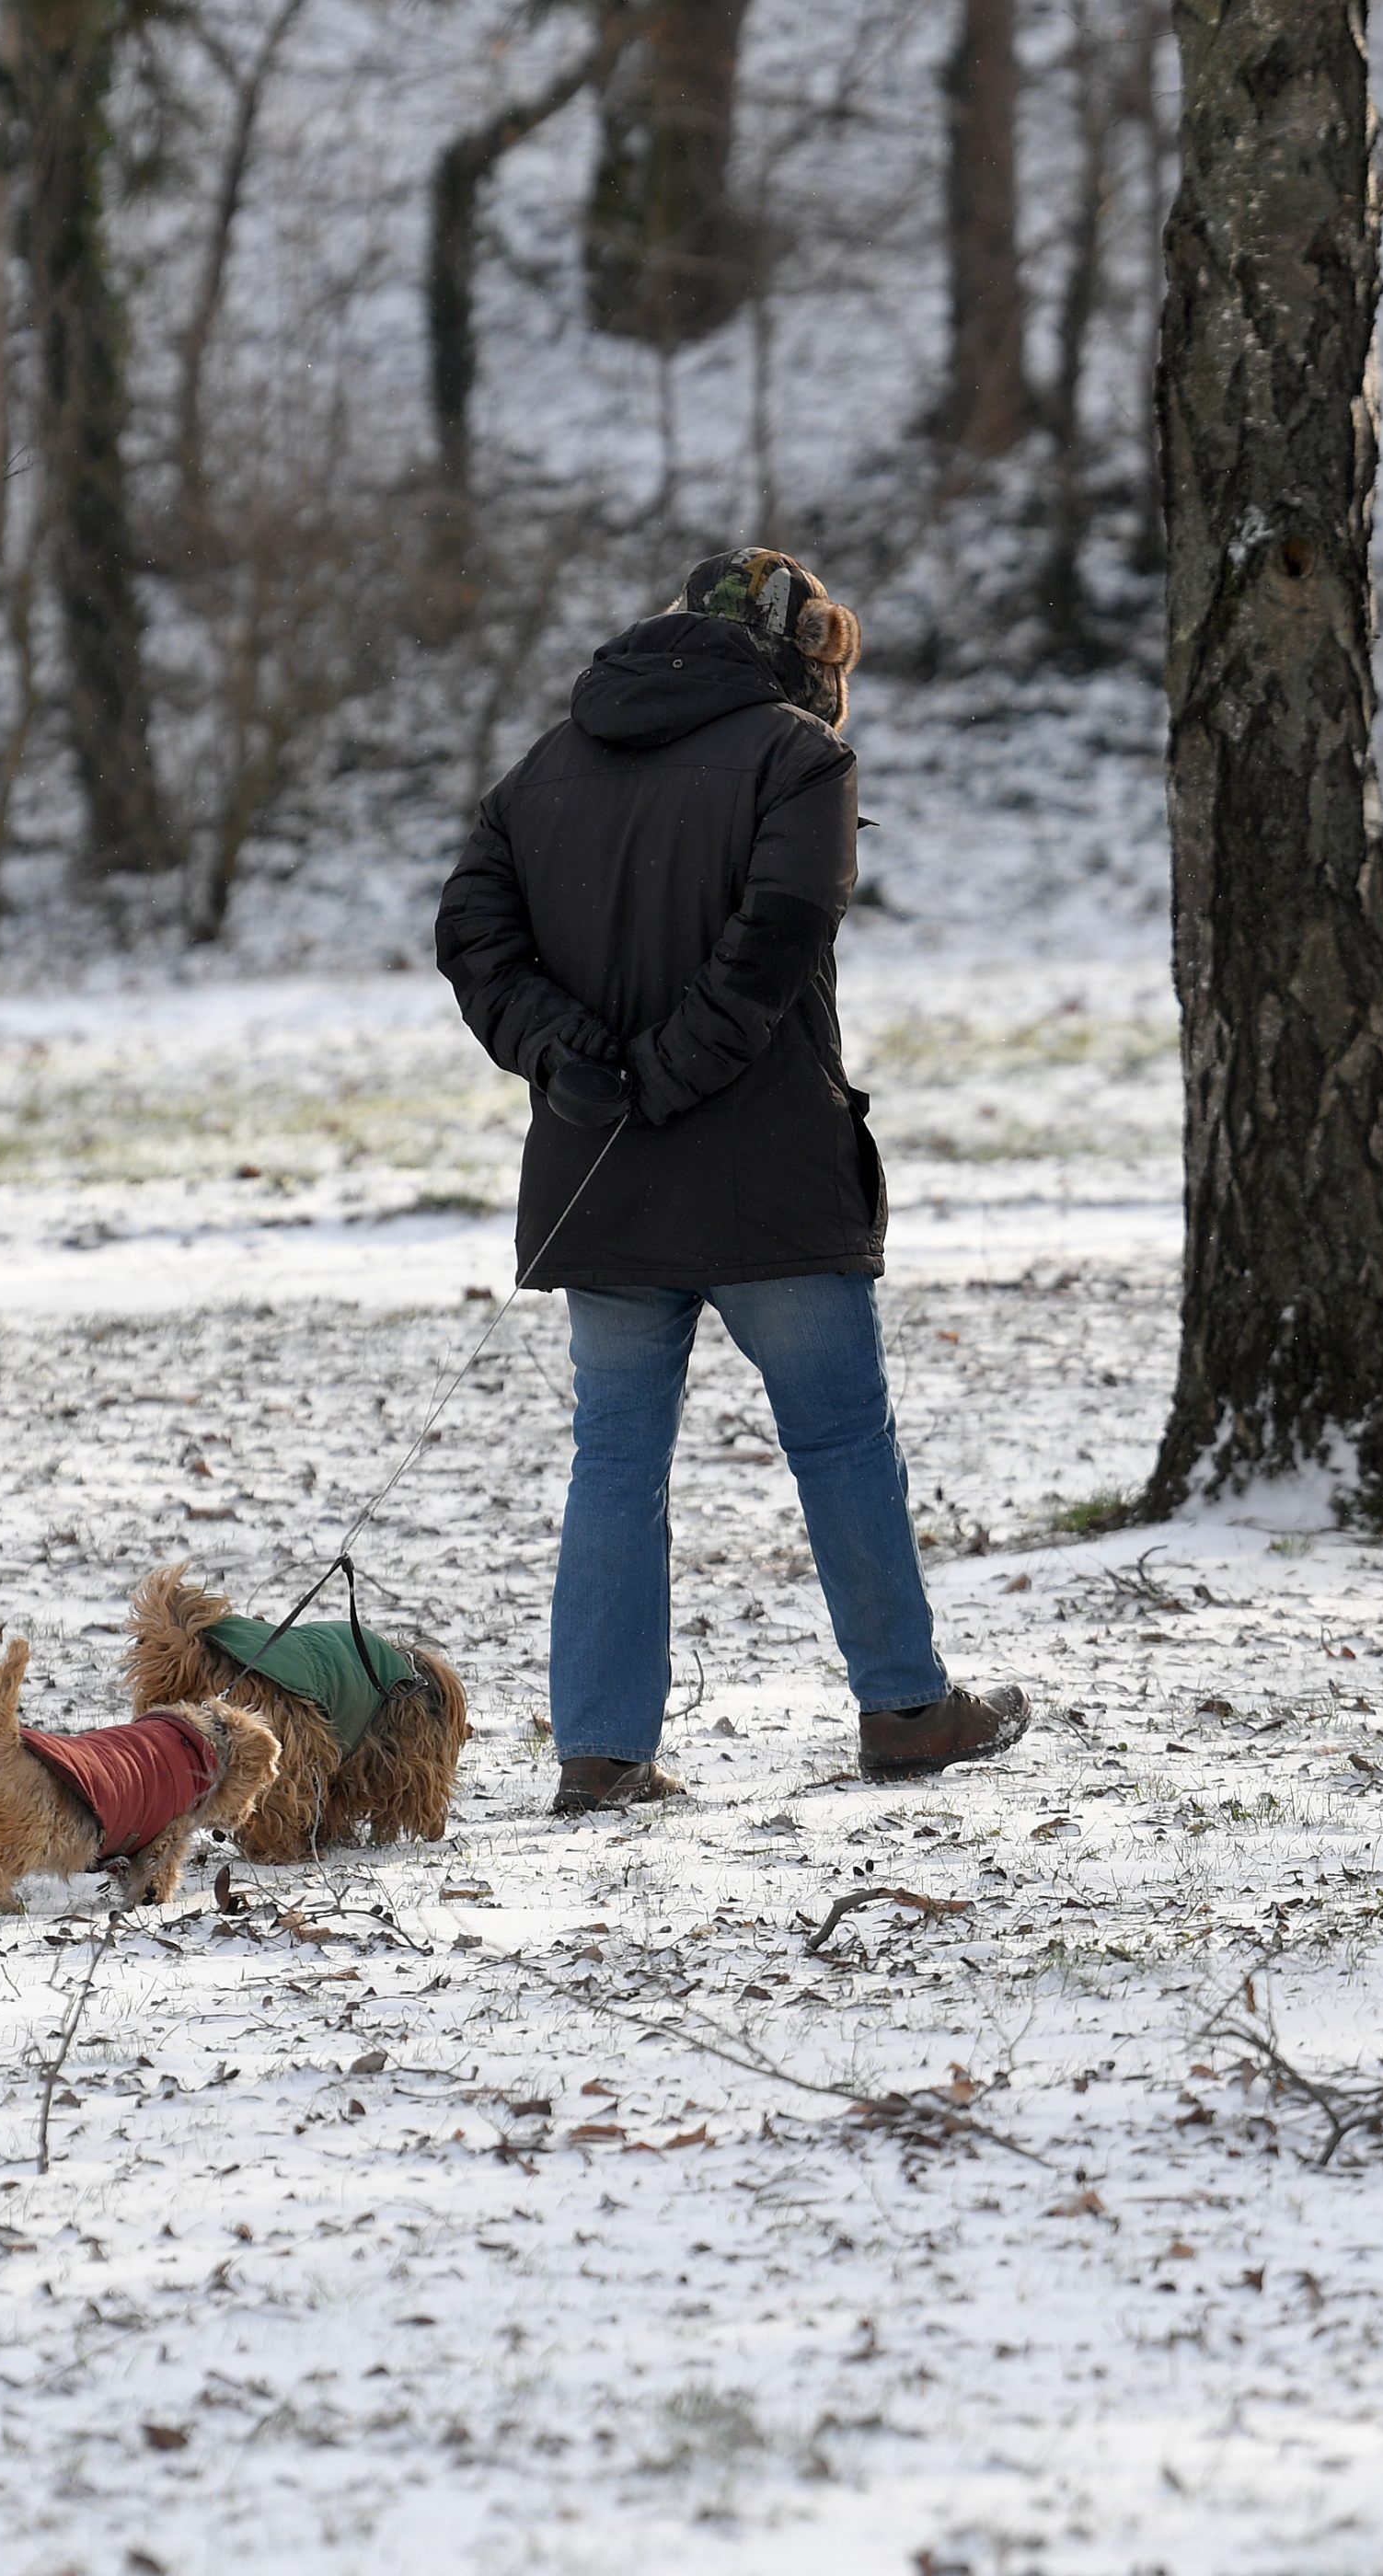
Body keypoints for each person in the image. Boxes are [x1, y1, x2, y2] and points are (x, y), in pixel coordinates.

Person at [436, 549, 1031, 1814]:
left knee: (615, 1460)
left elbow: (473, 939)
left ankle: (601, 1755)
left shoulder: (544, 765)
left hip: (603, 1181)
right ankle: (907, 1709)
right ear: (794, 646)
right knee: (838, 1442)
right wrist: (657, 1069)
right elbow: (776, 935)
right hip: (767, 1180)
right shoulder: (795, 758)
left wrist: (572, 1061)